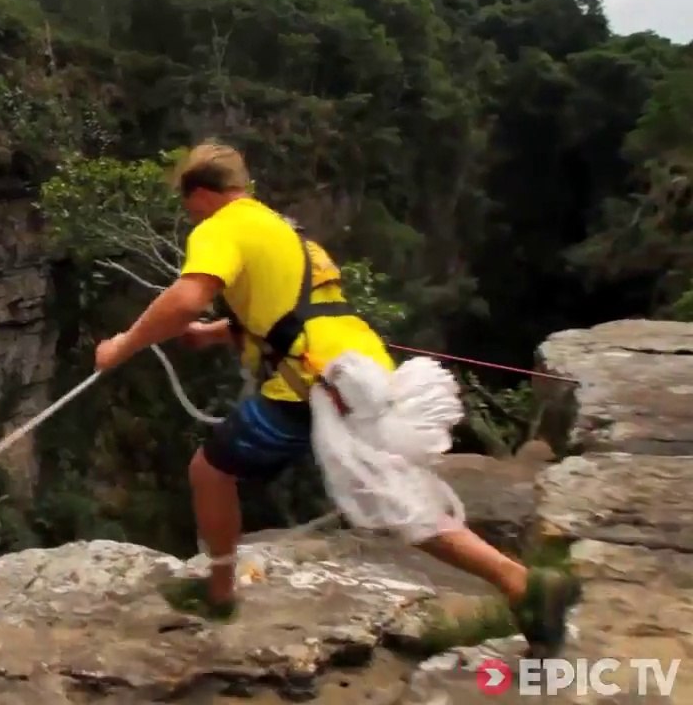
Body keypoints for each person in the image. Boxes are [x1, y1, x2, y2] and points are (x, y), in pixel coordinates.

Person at [93, 139, 581, 656]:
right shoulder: (286, 232)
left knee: (210, 471)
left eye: (187, 204)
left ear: (202, 193)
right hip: (356, 366)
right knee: (392, 495)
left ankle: (218, 591)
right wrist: (214, 333)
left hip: (312, 381)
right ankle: (522, 584)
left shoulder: (220, 227)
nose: (189, 216)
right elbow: (289, 310)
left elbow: (187, 295)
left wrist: (123, 345)